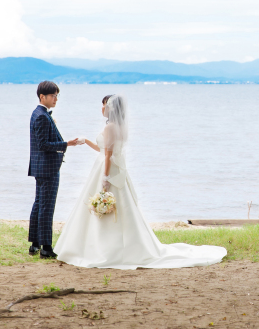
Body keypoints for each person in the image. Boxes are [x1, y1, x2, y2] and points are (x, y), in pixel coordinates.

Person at [54, 94, 226, 269]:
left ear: (111, 108)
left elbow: (108, 155)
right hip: (115, 170)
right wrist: (86, 141)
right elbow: (103, 149)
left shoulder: (110, 127)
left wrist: (105, 178)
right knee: (122, 208)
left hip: (107, 170)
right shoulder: (119, 127)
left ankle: (101, 248)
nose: (102, 108)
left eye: (104, 105)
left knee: (108, 205)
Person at [28, 80, 82, 259]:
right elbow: (43, 144)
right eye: (53, 95)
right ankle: (46, 247)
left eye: (57, 95)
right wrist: (67, 144)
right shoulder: (42, 116)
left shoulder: (37, 113)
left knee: (39, 204)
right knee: (46, 207)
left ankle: (35, 243)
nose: (56, 99)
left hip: (40, 166)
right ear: (42, 96)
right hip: (47, 167)